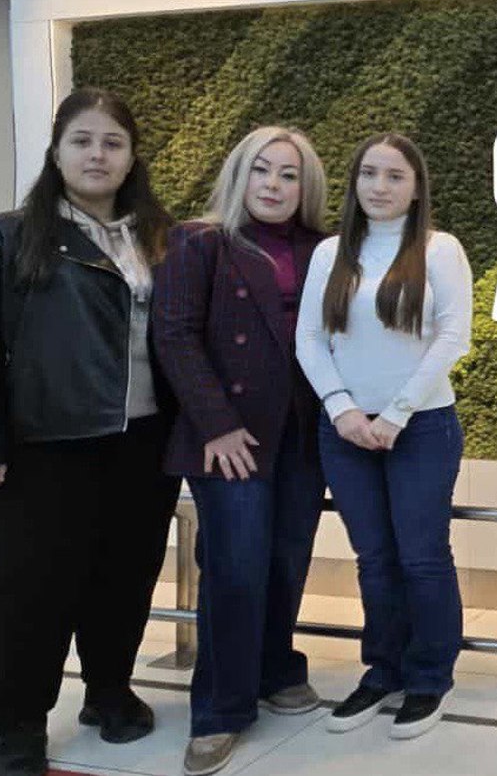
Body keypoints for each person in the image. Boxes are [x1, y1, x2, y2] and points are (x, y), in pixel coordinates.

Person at [0, 88, 181, 776]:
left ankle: (109, 691)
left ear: (131, 157)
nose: (97, 155)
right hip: (41, 446)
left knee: (126, 576)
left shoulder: (159, 240)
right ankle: (17, 725)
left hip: (143, 444)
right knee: (31, 589)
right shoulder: (3, 237)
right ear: (57, 151)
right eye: (82, 140)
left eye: (112, 143)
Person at [151, 126, 330, 776]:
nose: (274, 185)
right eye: (262, 170)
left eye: (289, 174)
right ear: (239, 175)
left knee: (287, 558)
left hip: (302, 434)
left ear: (306, 187)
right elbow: (174, 335)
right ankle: (219, 711)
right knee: (236, 567)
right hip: (229, 438)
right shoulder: (199, 241)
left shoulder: (323, 249)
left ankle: (277, 669)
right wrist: (217, 424)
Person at [296, 132, 472, 740]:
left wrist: (395, 414)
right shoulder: (331, 253)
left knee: (422, 557)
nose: (379, 186)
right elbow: (309, 338)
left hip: (421, 427)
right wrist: (341, 408)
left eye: (395, 176)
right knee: (374, 559)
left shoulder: (440, 249)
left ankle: (429, 678)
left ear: (416, 187)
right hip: (344, 430)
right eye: (369, 173)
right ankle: (382, 671)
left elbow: (452, 337)